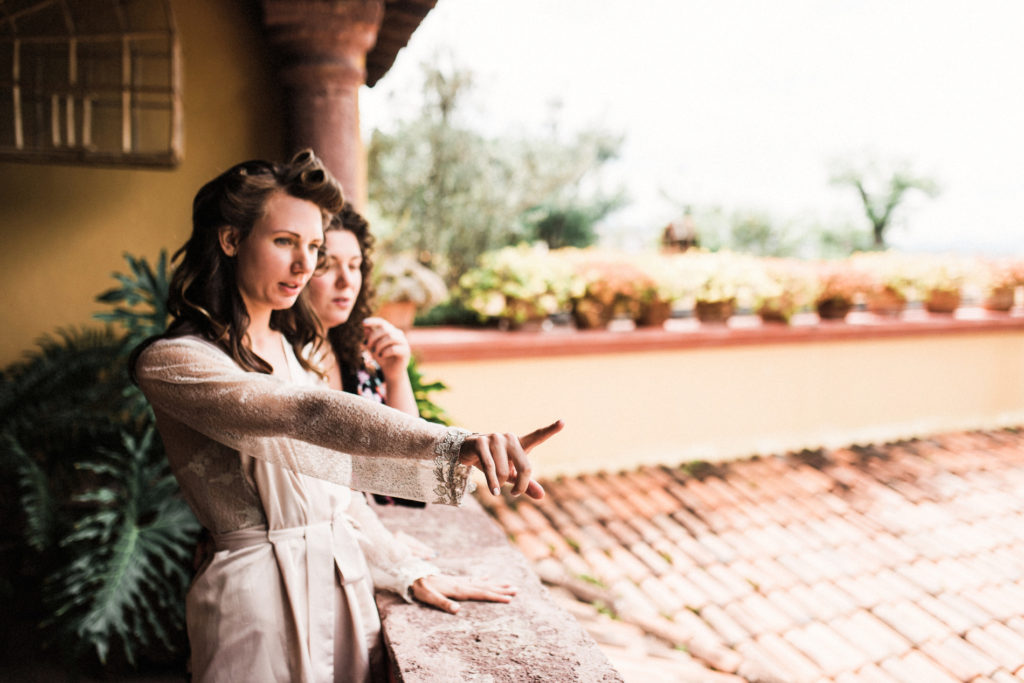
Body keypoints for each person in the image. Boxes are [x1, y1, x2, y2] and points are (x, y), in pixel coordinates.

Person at [131, 150, 562, 682]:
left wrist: (408, 570)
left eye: (313, 247)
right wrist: (455, 443)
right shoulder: (174, 361)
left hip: (345, 588)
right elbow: (306, 413)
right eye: (285, 242)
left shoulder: (297, 351)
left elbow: (343, 498)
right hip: (256, 608)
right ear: (230, 239)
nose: (304, 265)